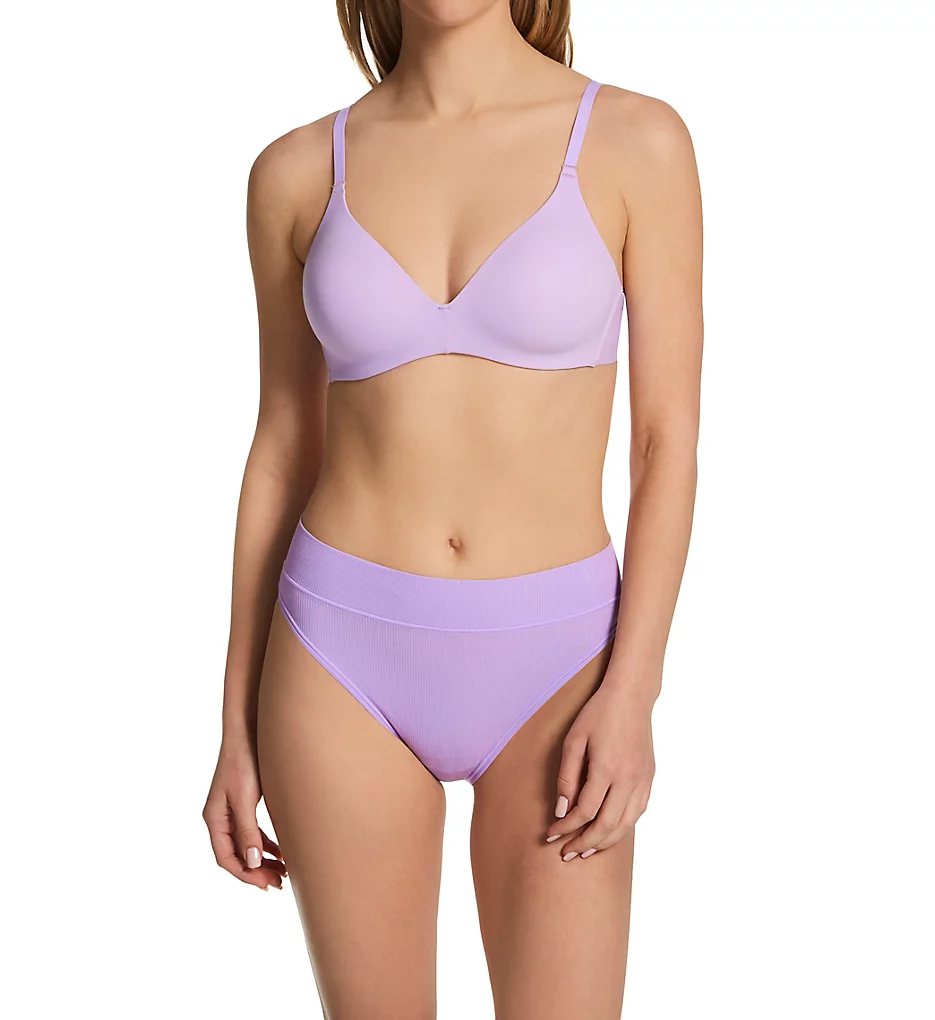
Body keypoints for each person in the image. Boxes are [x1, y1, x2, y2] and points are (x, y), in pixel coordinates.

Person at [203, 1, 703, 1015]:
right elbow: (282, 449)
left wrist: (634, 691)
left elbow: (665, 445)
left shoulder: (633, 141)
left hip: (558, 664)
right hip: (337, 655)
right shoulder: (294, 173)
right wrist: (233, 724)